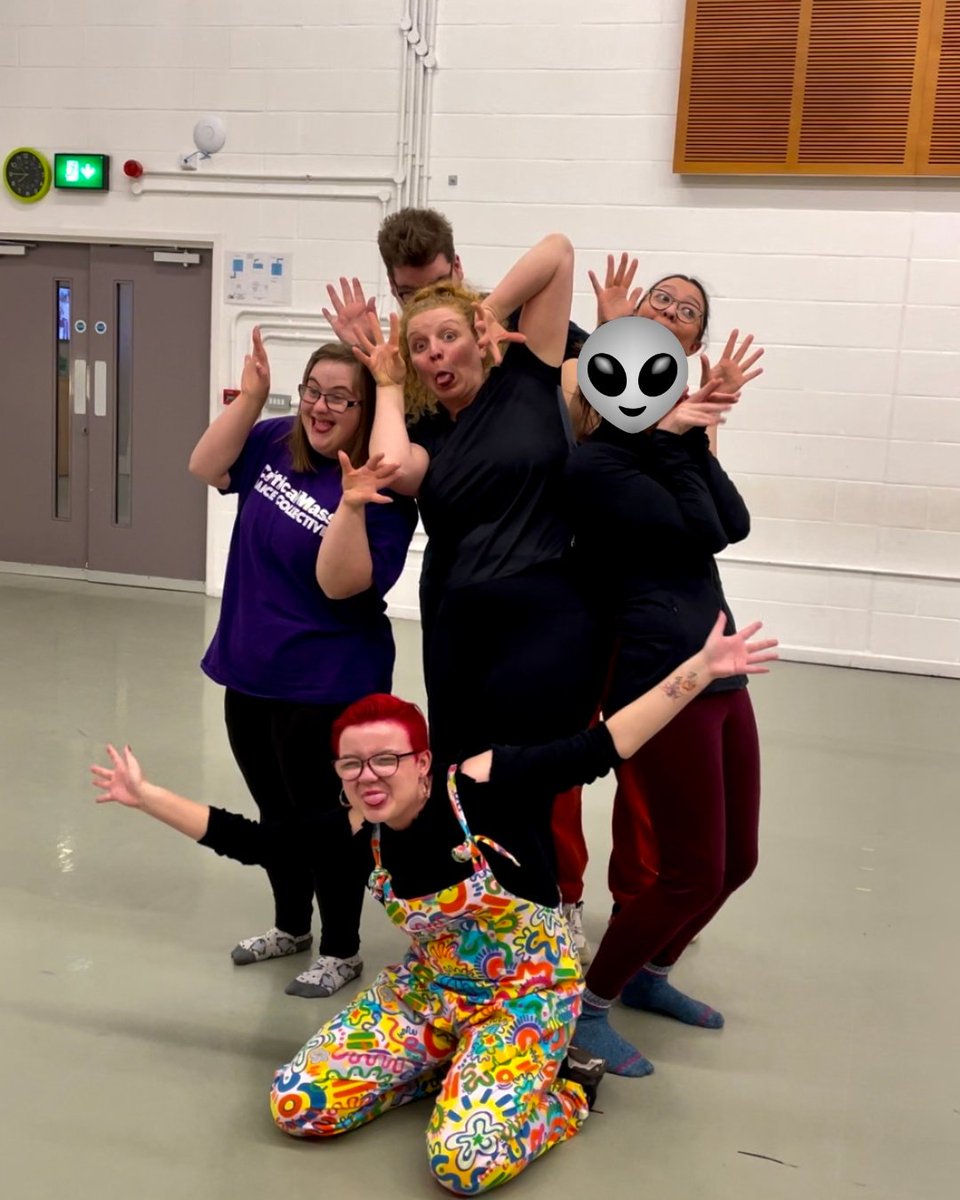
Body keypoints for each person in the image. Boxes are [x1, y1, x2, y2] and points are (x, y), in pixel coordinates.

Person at [91, 619, 777, 1194]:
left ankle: (567, 1091)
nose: (370, 779)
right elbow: (252, 841)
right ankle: (446, 1067)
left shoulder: (487, 785)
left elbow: (606, 744)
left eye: (386, 760)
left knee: (463, 1163)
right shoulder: (355, 832)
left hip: (526, 997)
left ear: (422, 760)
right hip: (430, 995)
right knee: (297, 1107)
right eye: (351, 766)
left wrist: (698, 669)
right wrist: (144, 796)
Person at [556, 257, 765, 1076]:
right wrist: (680, 440)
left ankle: (652, 976)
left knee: (736, 862)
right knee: (689, 871)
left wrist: (689, 437)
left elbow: (733, 521)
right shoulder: (596, 462)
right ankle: (590, 1007)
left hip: (721, 661)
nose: (671, 314)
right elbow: (698, 534)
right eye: (659, 305)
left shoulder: (672, 445)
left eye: (686, 311)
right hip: (661, 671)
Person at [187, 330, 417, 997]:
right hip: (250, 670)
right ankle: (292, 927)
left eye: (340, 399)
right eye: (313, 392)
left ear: (365, 411)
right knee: (276, 817)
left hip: (326, 683)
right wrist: (254, 398)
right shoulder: (276, 440)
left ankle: (342, 949)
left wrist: (347, 504)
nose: (320, 408)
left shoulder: (382, 490)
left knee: (328, 825)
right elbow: (206, 466)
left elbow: (341, 584)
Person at [347, 233, 604, 790]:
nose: (434, 350)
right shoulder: (428, 436)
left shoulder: (529, 378)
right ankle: (471, 881)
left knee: (535, 777)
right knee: (461, 779)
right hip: (460, 621)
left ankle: (531, 880)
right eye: (419, 345)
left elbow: (559, 252)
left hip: (547, 617)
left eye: (447, 335)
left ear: (478, 338)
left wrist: (486, 309)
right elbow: (389, 466)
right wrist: (389, 385)